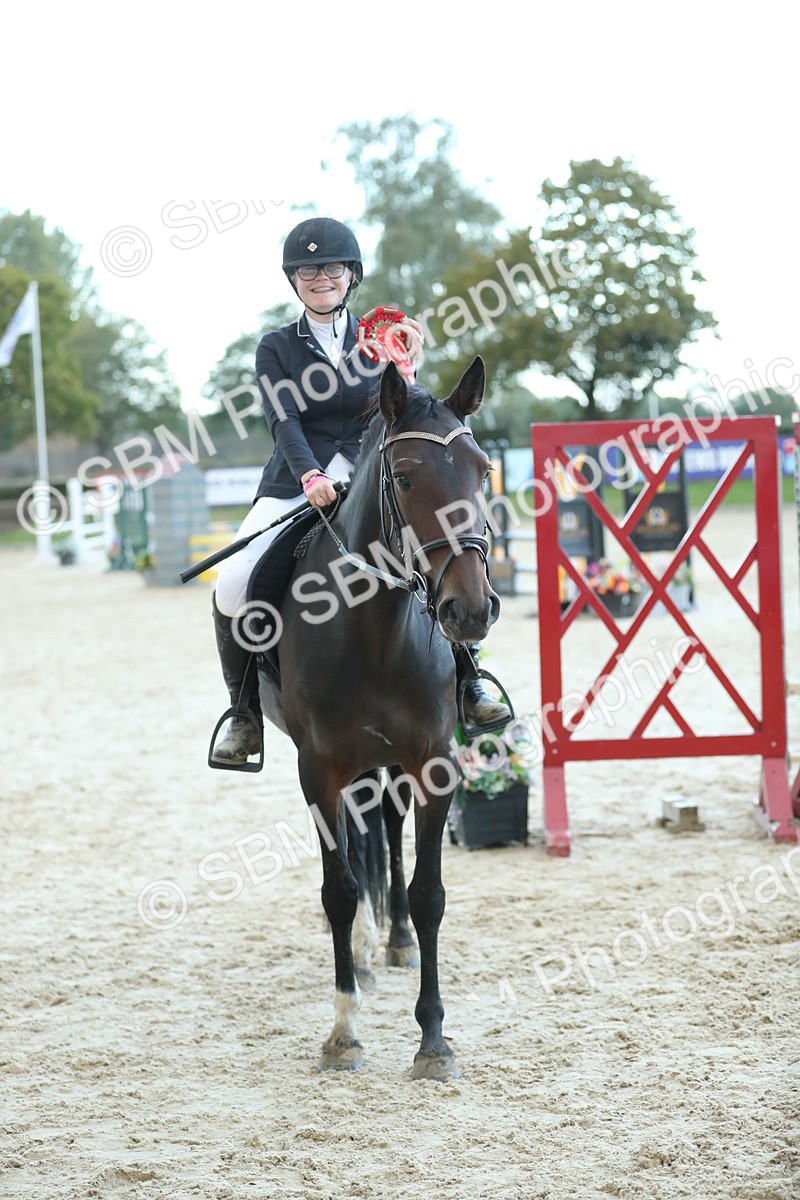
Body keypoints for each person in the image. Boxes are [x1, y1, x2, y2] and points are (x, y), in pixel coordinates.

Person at [210, 217, 510, 766]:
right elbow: (284, 420)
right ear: (294, 280)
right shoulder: (275, 347)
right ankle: (244, 712)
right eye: (307, 269)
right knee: (233, 583)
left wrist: (409, 367)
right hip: (299, 479)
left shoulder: (380, 337)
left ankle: (469, 680)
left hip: (375, 476)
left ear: (351, 275)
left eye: (331, 268)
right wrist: (310, 475)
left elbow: (408, 410)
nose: (319, 276)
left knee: (436, 556)